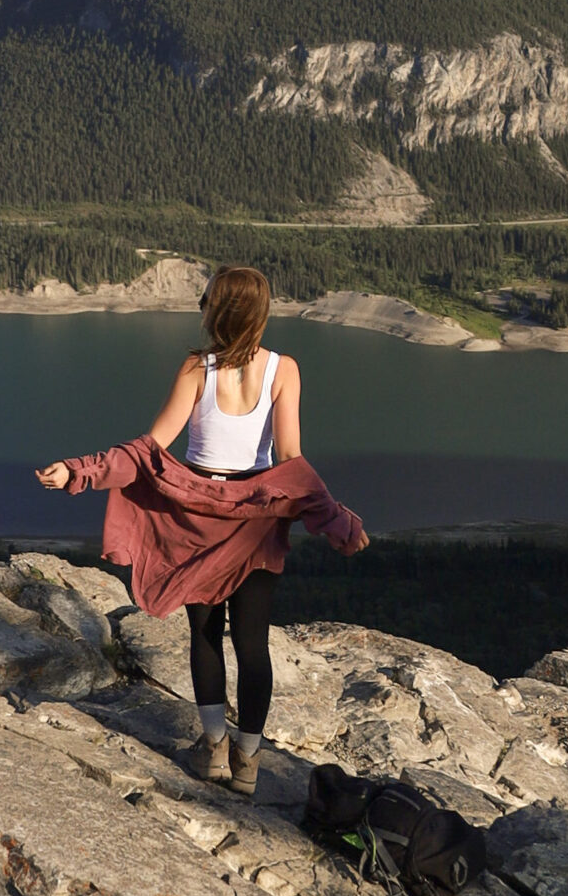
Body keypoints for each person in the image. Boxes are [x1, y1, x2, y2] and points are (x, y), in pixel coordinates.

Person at [34, 266, 365, 796]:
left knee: (206, 636)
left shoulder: (197, 368)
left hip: (195, 522)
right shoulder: (285, 370)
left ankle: (212, 750)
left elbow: (149, 450)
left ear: (218, 311)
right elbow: (291, 461)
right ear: (258, 314)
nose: (201, 305)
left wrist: (80, 471)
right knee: (253, 644)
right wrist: (337, 518)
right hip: (256, 523)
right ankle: (249, 762)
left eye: (204, 298)